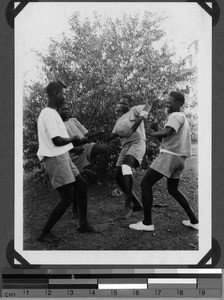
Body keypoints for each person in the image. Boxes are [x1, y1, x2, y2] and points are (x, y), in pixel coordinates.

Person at [129, 91, 199, 231]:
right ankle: (194, 221)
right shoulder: (181, 118)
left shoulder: (175, 115)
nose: (166, 104)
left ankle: (147, 223)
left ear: (178, 103)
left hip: (169, 157)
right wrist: (156, 132)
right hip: (179, 159)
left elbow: (166, 132)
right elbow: (167, 136)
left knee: (145, 183)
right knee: (173, 189)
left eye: (169, 102)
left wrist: (150, 133)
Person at [37, 81, 97, 243]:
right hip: (54, 158)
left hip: (62, 156)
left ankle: (83, 224)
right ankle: (44, 232)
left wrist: (73, 145)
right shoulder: (48, 113)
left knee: (82, 185)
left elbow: (59, 140)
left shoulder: (53, 113)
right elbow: (56, 140)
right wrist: (75, 140)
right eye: (63, 93)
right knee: (67, 197)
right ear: (56, 94)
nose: (64, 96)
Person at [58, 103, 111, 218]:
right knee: (78, 185)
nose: (66, 111)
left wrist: (100, 131)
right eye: (63, 109)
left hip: (85, 147)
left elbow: (87, 134)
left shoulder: (73, 121)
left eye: (67, 109)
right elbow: (59, 143)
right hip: (73, 155)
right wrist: (72, 149)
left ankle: (100, 179)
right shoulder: (57, 125)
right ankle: (75, 210)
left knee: (104, 149)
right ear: (57, 111)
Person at [109, 95, 151, 219]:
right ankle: (137, 204)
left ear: (130, 104)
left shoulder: (134, 110)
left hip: (137, 142)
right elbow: (112, 135)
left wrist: (139, 119)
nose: (122, 105)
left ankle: (128, 205)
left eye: (125, 103)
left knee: (126, 167)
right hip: (126, 146)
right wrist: (110, 134)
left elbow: (148, 106)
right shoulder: (119, 120)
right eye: (121, 103)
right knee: (117, 176)